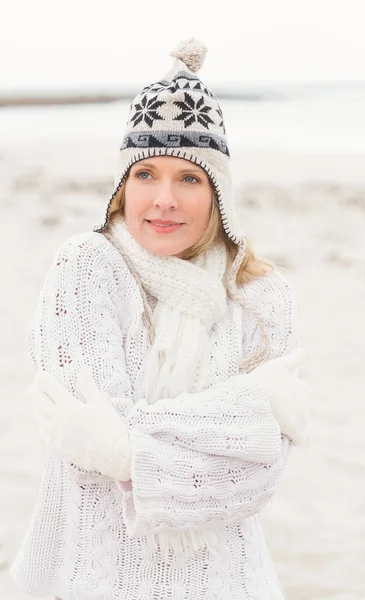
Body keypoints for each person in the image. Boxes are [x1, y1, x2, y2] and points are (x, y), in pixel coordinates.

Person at [10, 38, 310, 600]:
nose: (163, 199)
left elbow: (256, 478)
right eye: (145, 173)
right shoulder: (86, 267)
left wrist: (124, 449)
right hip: (90, 579)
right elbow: (89, 455)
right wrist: (252, 408)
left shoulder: (265, 297)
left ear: (218, 192)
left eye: (189, 178)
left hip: (229, 584)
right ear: (122, 186)